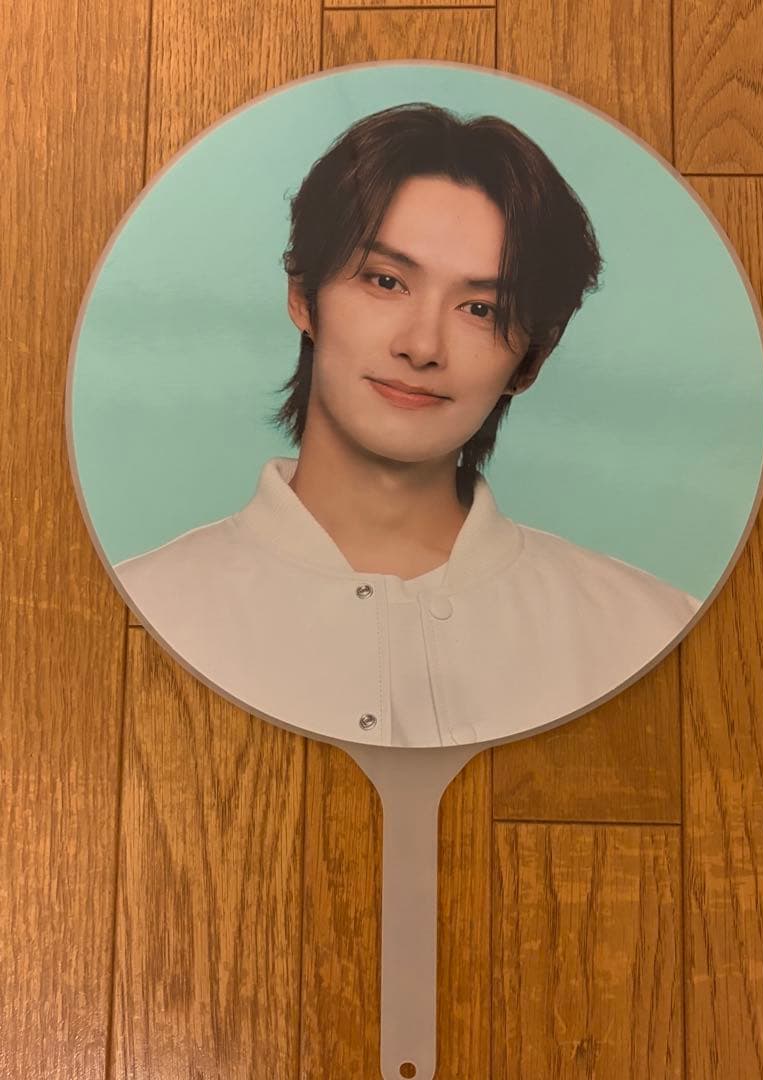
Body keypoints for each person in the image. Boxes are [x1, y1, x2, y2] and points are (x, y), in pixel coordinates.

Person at [114, 102, 701, 748]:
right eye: (386, 281)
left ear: (530, 361)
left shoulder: (650, 628)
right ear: (303, 296)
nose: (422, 346)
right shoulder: (143, 607)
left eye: (480, 309)